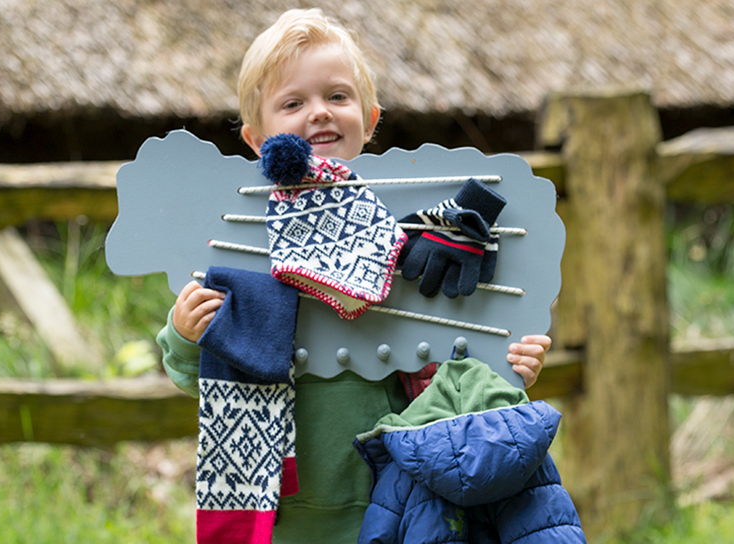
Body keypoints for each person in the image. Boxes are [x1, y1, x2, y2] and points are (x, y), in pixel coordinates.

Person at [158, 8, 553, 543]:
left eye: (337, 97)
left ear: (370, 119)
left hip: (398, 494)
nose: (318, 113)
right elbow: (193, 375)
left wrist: (505, 372)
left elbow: (461, 354)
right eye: (293, 103)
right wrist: (186, 334)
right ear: (257, 139)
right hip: (287, 504)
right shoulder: (238, 236)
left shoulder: (411, 228)